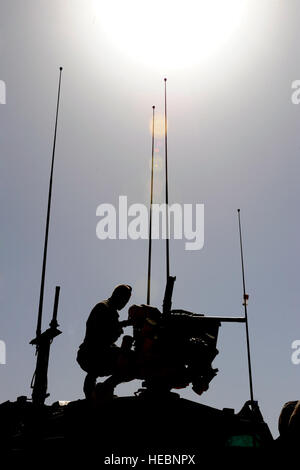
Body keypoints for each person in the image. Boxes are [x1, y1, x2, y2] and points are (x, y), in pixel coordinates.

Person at [77, 284, 133, 400]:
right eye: (125, 300)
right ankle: (104, 388)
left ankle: (102, 390)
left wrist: (124, 324)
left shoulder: (106, 307)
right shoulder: (105, 309)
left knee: (94, 373)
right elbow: (102, 336)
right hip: (92, 354)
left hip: (92, 352)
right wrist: (118, 331)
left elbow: (108, 330)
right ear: (119, 296)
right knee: (131, 362)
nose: (125, 303)